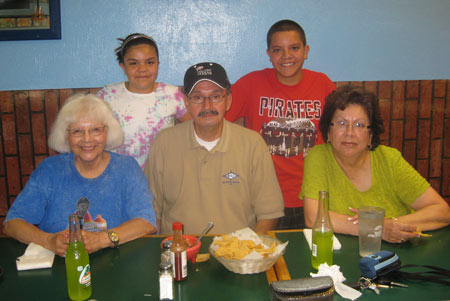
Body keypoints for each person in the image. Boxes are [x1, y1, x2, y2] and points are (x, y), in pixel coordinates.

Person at [4, 94, 157, 256]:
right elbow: (12, 223)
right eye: (77, 131)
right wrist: (48, 241)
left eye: (96, 130)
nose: (87, 139)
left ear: (108, 132)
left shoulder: (127, 168)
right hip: (60, 266)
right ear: (65, 135)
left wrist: (101, 240)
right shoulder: (50, 169)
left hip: (116, 264)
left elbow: (146, 222)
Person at [144, 62, 284, 235]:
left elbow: (269, 213)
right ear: (187, 103)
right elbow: (150, 210)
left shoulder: (253, 144)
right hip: (180, 254)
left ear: (228, 101)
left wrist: (250, 253)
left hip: (237, 256)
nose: (207, 106)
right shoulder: (164, 143)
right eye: (197, 97)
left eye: (216, 96)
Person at [300, 85, 450, 243]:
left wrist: (391, 225)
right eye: (341, 123)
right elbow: (314, 217)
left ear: (371, 134)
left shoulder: (389, 159)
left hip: (402, 249)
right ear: (328, 132)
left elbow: (442, 212)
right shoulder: (318, 157)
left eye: (359, 125)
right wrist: (376, 228)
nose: (349, 133)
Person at [225, 20, 336, 230]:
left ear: (306, 51)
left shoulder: (323, 84)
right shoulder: (251, 84)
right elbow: (215, 120)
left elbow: (342, 132)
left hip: (312, 199)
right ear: (269, 53)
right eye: (278, 50)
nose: (286, 56)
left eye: (294, 48)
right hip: (263, 201)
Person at [97, 33, 190, 168]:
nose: (142, 69)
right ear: (123, 66)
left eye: (150, 62)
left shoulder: (172, 95)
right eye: (134, 63)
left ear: (158, 63)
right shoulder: (107, 96)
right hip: (118, 175)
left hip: (160, 175)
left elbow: (195, 126)